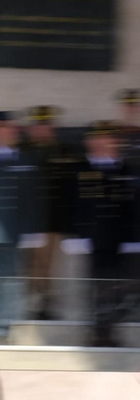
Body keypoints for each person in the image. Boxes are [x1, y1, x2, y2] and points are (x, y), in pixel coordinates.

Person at [73, 122, 140, 347]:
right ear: (91, 142)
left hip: (121, 238)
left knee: (118, 286)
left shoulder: (129, 170)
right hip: (94, 238)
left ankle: (110, 330)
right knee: (97, 285)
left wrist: (136, 238)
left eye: (112, 139)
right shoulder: (82, 169)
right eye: (102, 139)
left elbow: (137, 207)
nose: (109, 143)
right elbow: (75, 204)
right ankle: (98, 331)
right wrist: (77, 234)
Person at [20, 105, 79, 321]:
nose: (43, 129)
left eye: (46, 124)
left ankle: (44, 306)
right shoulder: (23, 151)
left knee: (48, 266)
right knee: (29, 265)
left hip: (52, 221)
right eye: (39, 124)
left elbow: (68, 190)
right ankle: (29, 304)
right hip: (27, 221)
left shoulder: (62, 152)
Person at [0, 111, 34, 338]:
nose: (14, 131)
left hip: (10, 232)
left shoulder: (22, 159)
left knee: (10, 280)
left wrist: (31, 228)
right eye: (8, 127)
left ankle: (4, 328)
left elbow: (30, 197)